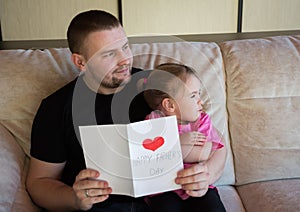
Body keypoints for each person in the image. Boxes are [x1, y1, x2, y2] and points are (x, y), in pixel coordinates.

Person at [26, 10, 227, 211]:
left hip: (169, 197)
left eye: (125, 47)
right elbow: (39, 183)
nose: (125, 60)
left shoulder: (156, 88)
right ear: (81, 62)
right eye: (109, 54)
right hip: (104, 206)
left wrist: (207, 173)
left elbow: (216, 143)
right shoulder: (56, 108)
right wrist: (75, 198)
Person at [142, 63, 226, 211]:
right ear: (169, 105)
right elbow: (148, 158)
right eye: (193, 96)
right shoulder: (153, 122)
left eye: (199, 93)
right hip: (164, 190)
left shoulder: (202, 120)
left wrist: (169, 147)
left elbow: (204, 153)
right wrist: (179, 142)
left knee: (213, 207)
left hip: (197, 184)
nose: (201, 101)